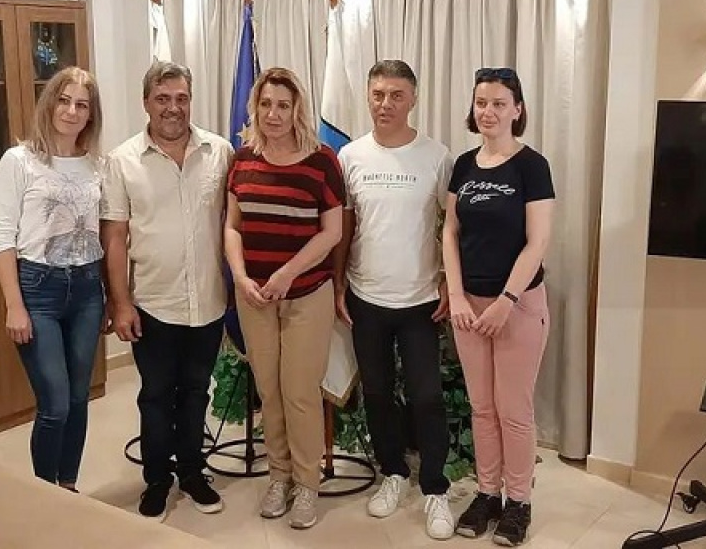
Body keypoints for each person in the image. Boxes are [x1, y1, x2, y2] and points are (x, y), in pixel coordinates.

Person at [100, 61, 233, 518]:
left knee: (196, 392)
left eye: (181, 98)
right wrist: (120, 302)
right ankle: (157, 479)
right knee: (156, 395)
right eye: (162, 99)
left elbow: (232, 223)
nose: (173, 108)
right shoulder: (122, 161)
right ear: (146, 103)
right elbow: (114, 238)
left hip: (208, 301)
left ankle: (192, 472)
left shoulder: (220, 152)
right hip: (153, 304)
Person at [331, 59, 456, 539]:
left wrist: (448, 281)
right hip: (366, 297)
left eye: (396, 95)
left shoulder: (436, 156)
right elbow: (345, 226)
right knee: (378, 394)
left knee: (426, 397)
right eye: (378, 94)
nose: (386, 104)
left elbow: (452, 227)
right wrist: (339, 283)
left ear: (413, 99)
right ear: (369, 96)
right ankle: (394, 473)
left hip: (420, 300)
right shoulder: (351, 157)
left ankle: (435, 487)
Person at [224, 67, 344, 530]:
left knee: (299, 392)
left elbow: (332, 232)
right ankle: (280, 477)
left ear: (297, 110)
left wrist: (286, 274)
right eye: (266, 104)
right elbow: (232, 226)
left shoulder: (322, 161)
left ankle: (307, 484)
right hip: (254, 296)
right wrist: (240, 277)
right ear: (255, 107)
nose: (273, 114)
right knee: (269, 392)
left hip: (306, 293)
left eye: (283, 105)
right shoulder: (242, 160)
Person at [442, 67, 555, 547]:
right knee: (482, 408)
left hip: (518, 305)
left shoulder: (532, 166)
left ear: (517, 110)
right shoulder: (464, 165)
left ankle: (518, 502)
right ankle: (487, 494)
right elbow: (450, 231)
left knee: (514, 411)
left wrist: (507, 300)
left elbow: (537, 242)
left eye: (498, 103)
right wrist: (456, 295)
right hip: (469, 306)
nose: (488, 111)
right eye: (481, 103)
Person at [0, 66, 106, 492]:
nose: (71, 111)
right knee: (55, 404)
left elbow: (105, 230)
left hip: (88, 289)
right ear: (50, 103)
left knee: (78, 398)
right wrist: (14, 306)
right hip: (38, 289)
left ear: (90, 114)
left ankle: (68, 487)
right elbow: (2, 236)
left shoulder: (97, 165)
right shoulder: (19, 161)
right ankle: (45, 494)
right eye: (64, 100)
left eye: (82, 105)